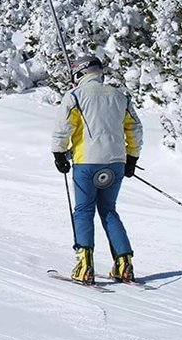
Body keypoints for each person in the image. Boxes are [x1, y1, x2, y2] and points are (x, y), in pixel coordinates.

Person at [52, 55, 143, 284]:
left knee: (83, 210)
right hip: (115, 163)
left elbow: (64, 127)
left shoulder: (75, 96)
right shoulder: (119, 96)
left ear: (81, 72)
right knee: (109, 210)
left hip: (86, 163)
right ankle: (124, 264)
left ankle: (84, 264)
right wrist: (131, 157)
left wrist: (59, 153)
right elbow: (134, 127)